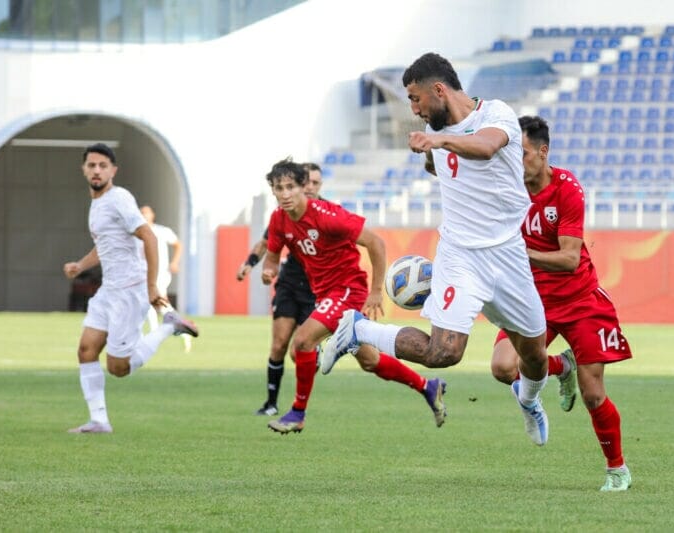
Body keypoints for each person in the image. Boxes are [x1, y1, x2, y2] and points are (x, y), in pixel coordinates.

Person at [323, 52, 551, 446]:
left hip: (508, 255)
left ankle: (528, 401)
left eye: (416, 99)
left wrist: (439, 141)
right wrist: (436, 149)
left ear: (439, 90)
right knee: (443, 353)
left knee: (534, 354)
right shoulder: (437, 131)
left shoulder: (495, 114)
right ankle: (357, 329)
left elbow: (486, 147)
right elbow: (438, 164)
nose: (414, 110)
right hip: (461, 257)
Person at [491, 116, 633, 491]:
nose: (515, 161)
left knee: (593, 393)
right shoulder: (506, 189)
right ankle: (560, 366)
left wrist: (522, 254)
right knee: (503, 367)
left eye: (522, 153)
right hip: (531, 299)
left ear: (543, 152)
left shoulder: (567, 189)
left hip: (579, 299)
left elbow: (570, 259)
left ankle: (617, 469)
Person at [260, 157, 445, 434]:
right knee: (370, 361)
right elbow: (273, 257)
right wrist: (269, 270)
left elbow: (375, 242)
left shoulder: (327, 216)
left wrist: (375, 291)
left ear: (302, 187)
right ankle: (428, 387)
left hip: (347, 290)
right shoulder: (278, 219)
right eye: (279, 188)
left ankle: (297, 413)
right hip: (325, 294)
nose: (285, 194)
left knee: (302, 343)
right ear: (273, 191)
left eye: (290, 187)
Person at [63, 143, 199, 434]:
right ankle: (99, 421)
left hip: (129, 290)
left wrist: (151, 286)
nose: (97, 170)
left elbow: (149, 236)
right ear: (84, 169)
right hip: (109, 290)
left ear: (113, 170)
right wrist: (80, 265)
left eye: (102, 166)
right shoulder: (97, 203)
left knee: (118, 369)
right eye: (91, 165)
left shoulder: (119, 198)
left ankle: (169, 326)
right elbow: (105, 245)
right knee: (86, 351)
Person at [236, 163, 323, 416]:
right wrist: (251, 264)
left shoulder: (327, 214)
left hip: (317, 289)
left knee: (299, 352)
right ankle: (271, 404)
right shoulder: (282, 215)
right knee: (278, 345)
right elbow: (267, 244)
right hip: (289, 284)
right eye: (307, 182)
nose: (310, 187)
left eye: (315, 183)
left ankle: (300, 404)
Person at [140, 204, 191, 353]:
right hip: (145, 273)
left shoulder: (162, 231)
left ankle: (154, 335)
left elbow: (178, 245)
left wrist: (174, 262)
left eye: (146, 213)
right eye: (141, 213)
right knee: (158, 305)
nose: (144, 216)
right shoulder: (138, 233)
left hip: (160, 273)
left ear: (152, 215)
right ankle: (182, 329)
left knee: (152, 300)